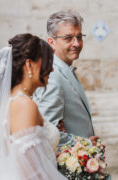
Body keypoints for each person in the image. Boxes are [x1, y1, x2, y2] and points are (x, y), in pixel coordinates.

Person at [0, 33, 67, 180]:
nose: (52, 69)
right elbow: (29, 172)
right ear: (29, 64)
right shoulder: (23, 105)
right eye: (48, 62)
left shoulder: (14, 101)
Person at [34, 11, 98, 145]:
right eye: (68, 38)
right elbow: (46, 132)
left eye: (79, 37)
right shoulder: (52, 76)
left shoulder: (64, 69)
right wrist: (84, 145)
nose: (77, 43)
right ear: (51, 42)